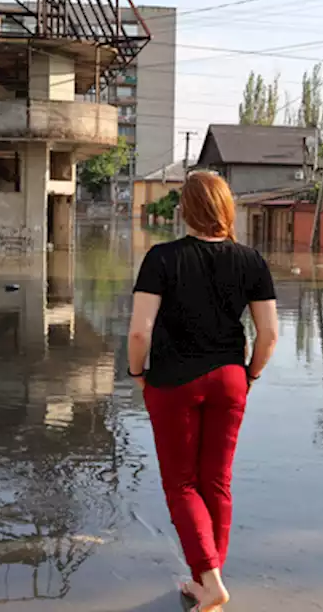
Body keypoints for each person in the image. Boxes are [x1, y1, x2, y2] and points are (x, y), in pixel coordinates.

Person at [126, 171, 279, 612]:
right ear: (227, 208)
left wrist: (137, 373)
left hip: (174, 381)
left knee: (181, 483)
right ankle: (208, 579)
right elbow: (268, 334)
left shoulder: (161, 258)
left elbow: (140, 332)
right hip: (230, 377)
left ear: (184, 210)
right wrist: (249, 375)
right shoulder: (251, 260)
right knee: (216, 482)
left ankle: (209, 581)